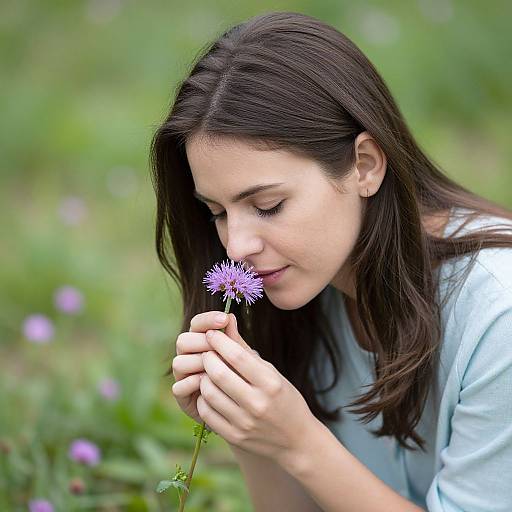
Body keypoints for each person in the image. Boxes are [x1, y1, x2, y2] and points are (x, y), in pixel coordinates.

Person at [149, 11, 512, 512]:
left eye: (268, 206)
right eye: (216, 212)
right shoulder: (304, 292)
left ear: (364, 165)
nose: (236, 248)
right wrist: (249, 432)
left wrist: (300, 442)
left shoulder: (499, 318)